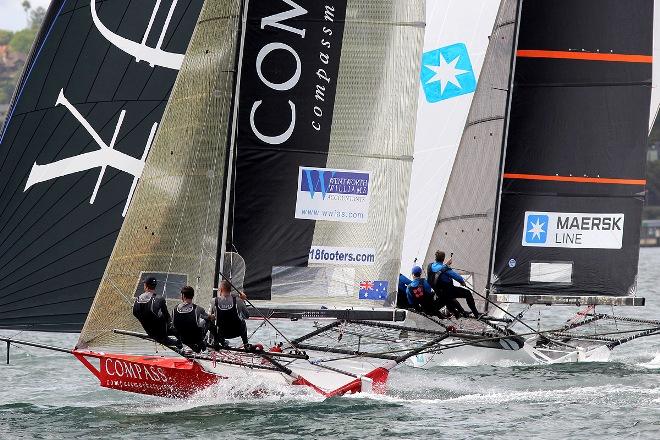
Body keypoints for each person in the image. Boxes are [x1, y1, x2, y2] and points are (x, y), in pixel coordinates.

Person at [427, 251, 483, 318]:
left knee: (449, 301)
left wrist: (446, 265)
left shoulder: (430, 266)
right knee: (468, 293)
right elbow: (456, 276)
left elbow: (438, 271)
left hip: (439, 293)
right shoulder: (444, 268)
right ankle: (476, 314)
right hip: (448, 291)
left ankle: (459, 313)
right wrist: (462, 282)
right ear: (443, 258)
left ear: (435, 258)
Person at [132, 276, 181, 347]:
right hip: (162, 334)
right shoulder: (159, 299)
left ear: (145, 286)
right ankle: (182, 345)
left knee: (172, 334)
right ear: (155, 286)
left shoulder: (137, 299)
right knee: (178, 333)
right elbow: (168, 318)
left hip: (151, 333)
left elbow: (135, 313)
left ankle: (179, 343)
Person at [172, 286, 215, 353]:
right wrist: (213, 316)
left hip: (182, 339)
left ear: (183, 296)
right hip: (196, 339)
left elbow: (173, 326)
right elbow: (208, 318)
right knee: (208, 321)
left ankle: (189, 346)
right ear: (193, 296)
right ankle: (219, 341)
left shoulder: (175, 309)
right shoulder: (198, 309)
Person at [211, 280, 251, 350]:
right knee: (243, 322)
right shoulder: (238, 300)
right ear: (231, 289)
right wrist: (243, 300)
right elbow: (247, 316)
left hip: (222, 334)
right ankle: (246, 344)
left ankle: (218, 342)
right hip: (237, 332)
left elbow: (210, 318)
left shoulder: (214, 301)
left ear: (220, 289)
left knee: (210, 323)